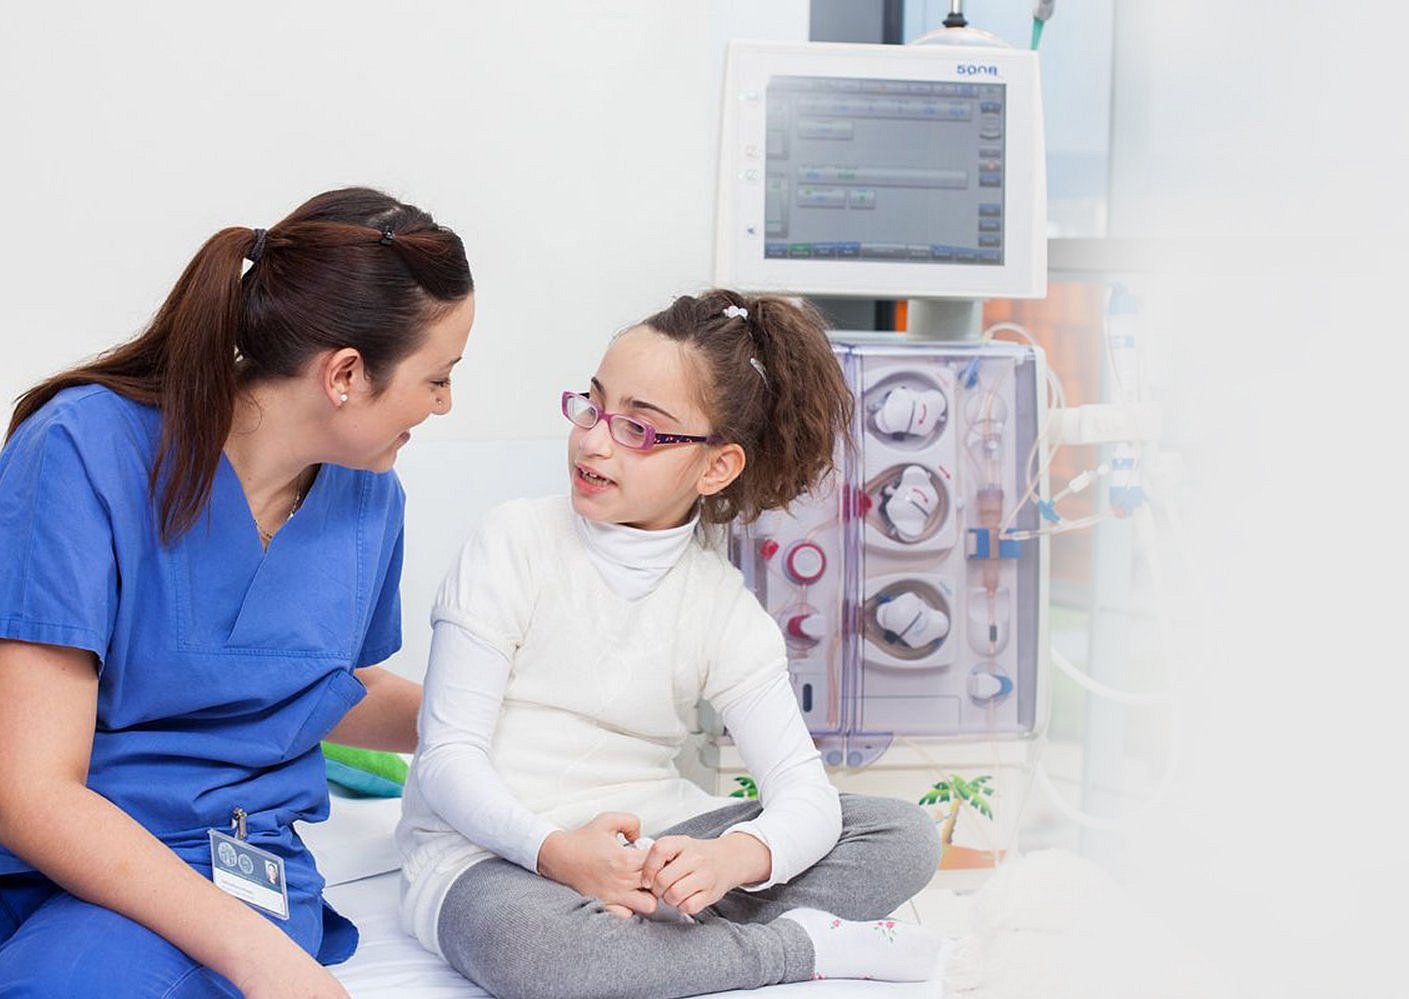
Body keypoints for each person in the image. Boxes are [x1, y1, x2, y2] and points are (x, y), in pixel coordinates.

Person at [397, 289, 943, 998]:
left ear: (715, 467)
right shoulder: (512, 541)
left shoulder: (720, 606)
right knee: (534, 953)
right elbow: (446, 760)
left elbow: (805, 794)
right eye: (593, 407)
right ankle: (793, 947)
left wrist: (730, 860)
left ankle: (651, 943)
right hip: (488, 859)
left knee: (901, 835)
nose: (594, 440)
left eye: (640, 430)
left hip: (649, 847)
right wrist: (558, 853)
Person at [0, 187, 475, 998]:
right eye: (437, 377)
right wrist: (260, 959)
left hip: (233, 867)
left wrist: (486, 717)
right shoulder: (81, 450)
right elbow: (31, 790)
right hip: (64, 852)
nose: (443, 404)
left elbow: (309, 684)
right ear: (346, 374)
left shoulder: (368, 498)